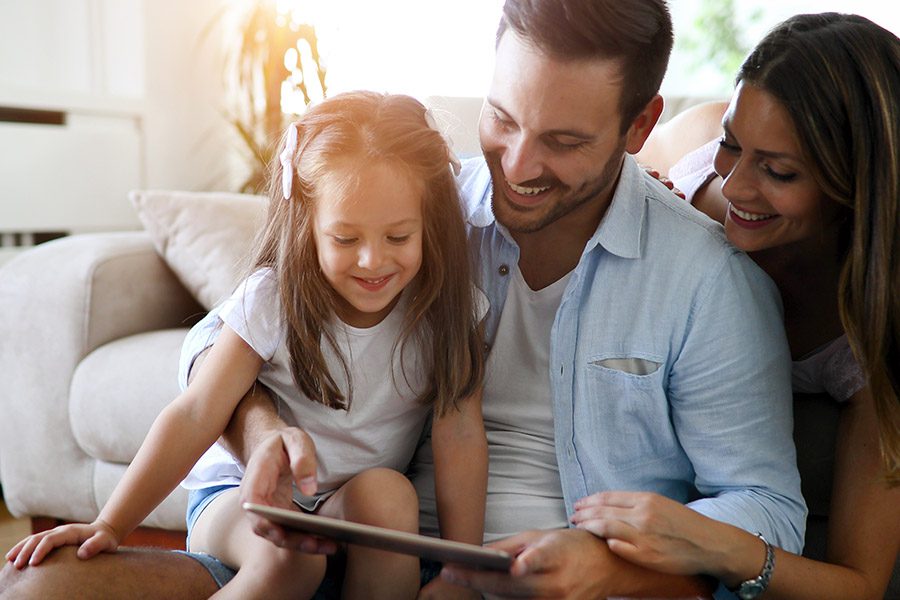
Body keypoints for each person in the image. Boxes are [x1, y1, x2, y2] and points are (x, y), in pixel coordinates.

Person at [0, 1, 807, 598]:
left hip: (524, 581)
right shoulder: (420, 205)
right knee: (39, 589)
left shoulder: (706, 282)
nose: (516, 165)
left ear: (640, 127)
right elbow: (228, 338)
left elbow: (767, 506)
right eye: (501, 117)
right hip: (312, 541)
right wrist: (264, 426)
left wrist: (622, 563)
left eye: (564, 141)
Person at [4, 91, 489, 600]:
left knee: (391, 496)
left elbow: (459, 435)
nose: (373, 261)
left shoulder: (450, 311)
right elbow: (196, 413)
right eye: (346, 239)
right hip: (239, 498)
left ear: (428, 222)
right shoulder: (273, 297)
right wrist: (110, 524)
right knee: (290, 552)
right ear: (309, 226)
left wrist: (462, 574)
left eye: (398, 237)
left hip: (350, 507)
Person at [575, 13, 900, 599]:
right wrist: (639, 190)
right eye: (732, 143)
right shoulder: (698, 156)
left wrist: (713, 543)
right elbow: (622, 162)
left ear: (854, 182)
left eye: (778, 171)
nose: (738, 185)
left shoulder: (872, 337)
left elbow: (859, 585)